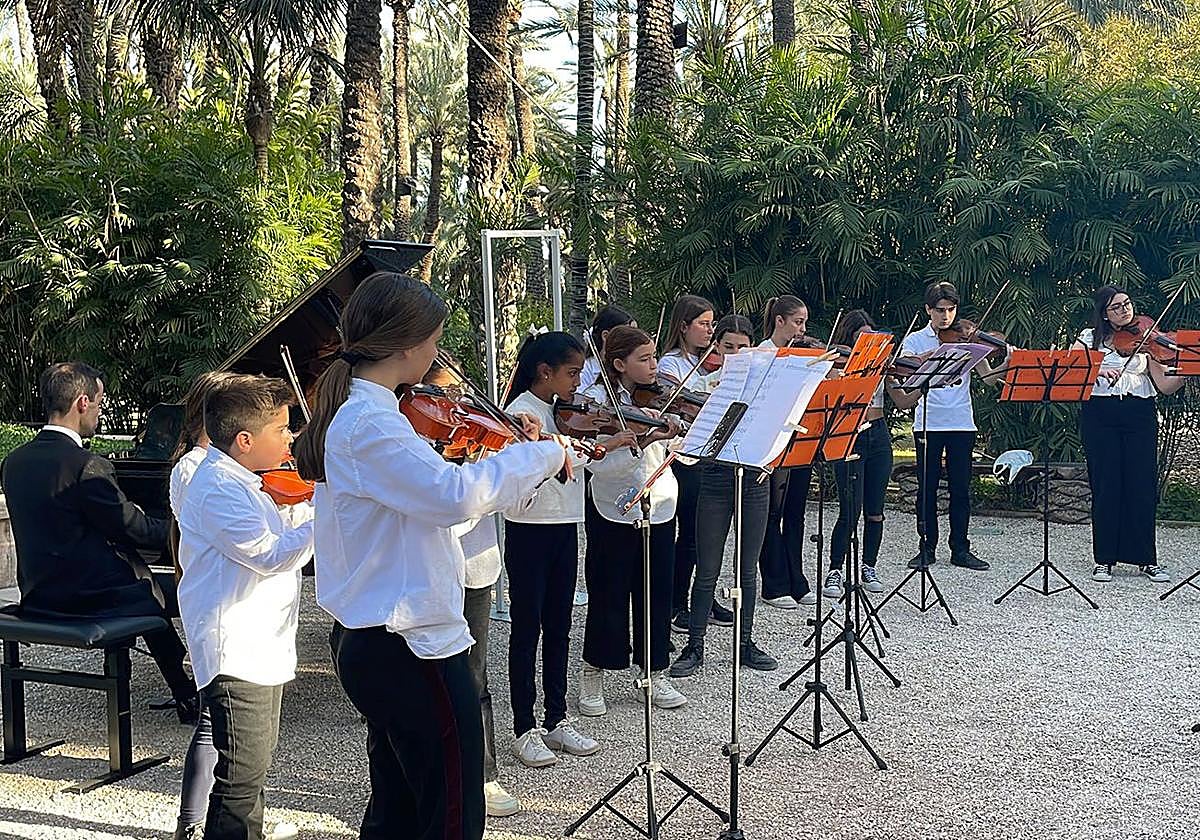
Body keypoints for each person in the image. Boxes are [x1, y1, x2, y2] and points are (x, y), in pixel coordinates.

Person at [294, 272, 572, 840]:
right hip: (408, 645)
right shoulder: (371, 425)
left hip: (389, 640)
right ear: (406, 345)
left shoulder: (377, 417)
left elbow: (443, 510)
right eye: (436, 339)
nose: (438, 352)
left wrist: (509, 454)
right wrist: (540, 456)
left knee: (399, 808)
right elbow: (454, 495)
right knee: (451, 813)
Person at [0, 362, 198, 721]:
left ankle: (185, 687)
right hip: (90, 599)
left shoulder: (15, 461)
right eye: (99, 403)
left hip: (39, 594)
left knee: (145, 581)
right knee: (183, 589)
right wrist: (185, 530)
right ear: (81, 403)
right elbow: (134, 529)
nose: (99, 412)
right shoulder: (86, 465)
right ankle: (190, 692)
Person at [176, 373, 314, 840]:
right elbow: (271, 554)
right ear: (244, 440)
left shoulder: (242, 478)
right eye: (282, 429)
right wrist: (328, 510)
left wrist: (303, 507)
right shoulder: (218, 486)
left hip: (261, 645)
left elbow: (279, 534)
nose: (291, 437)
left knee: (251, 773)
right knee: (239, 781)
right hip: (237, 647)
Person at [502, 332, 635, 768]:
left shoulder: (563, 412)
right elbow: (543, 462)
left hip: (563, 525)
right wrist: (603, 445)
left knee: (559, 626)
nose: (579, 382)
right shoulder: (520, 412)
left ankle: (556, 718)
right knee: (527, 630)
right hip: (529, 529)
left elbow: (577, 453)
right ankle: (525, 727)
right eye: (572, 373)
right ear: (546, 372)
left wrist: (610, 442)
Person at [423, 360, 520, 819]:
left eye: (460, 399)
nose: (455, 411)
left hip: (474, 569)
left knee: (474, 675)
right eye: (443, 401)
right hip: (423, 577)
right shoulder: (411, 449)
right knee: (421, 685)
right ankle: (417, 782)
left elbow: (518, 501)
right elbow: (444, 512)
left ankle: (483, 774)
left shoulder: (481, 442)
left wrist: (511, 464)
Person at [578, 325, 687, 717]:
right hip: (613, 504)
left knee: (656, 590)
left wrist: (675, 433)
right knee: (608, 590)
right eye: (644, 359)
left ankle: (654, 671)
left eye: (655, 357)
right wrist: (634, 436)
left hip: (659, 503)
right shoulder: (594, 402)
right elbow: (593, 463)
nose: (655, 366)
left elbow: (685, 456)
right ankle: (594, 670)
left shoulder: (665, 400)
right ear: (619, 364)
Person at [671, 314, 778, 677]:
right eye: (727, 347)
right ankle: (695, 644)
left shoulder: (768, 387)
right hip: (715, 477)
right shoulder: (705, 384)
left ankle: (744, 643)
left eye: (742, 347)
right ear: (716, 347)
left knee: (748, 569)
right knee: (708, 567)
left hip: (753, 479)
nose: (735, 354)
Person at [888, 281, 1004, 571]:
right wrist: (927, 359)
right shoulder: (916, 340)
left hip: (962, 422)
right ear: (928, 310)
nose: (946, 317)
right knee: (926, 487)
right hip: (928, 421)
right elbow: (903, 373)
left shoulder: (966, 340)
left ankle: (960, 549)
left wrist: (1010, 361)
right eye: (940, 311)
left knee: (961, 488)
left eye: (951, 310)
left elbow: (988, 378)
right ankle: (926, 547)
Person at [1073, 286, 1184, 583]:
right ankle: (1104, 560)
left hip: (1140, 413)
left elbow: (1164, 385)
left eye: (1127, 304)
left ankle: (1146, 560)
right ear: (1105, 316)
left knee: (1142, 485)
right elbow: (1072, 371)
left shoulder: (1147, 339)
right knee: (1107, 484)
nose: (1125, 310)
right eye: (1117, 307)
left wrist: (1187, 370)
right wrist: (1097, 372)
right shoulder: (1087, 338)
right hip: (1101, 413)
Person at [655, 295, 734, 635]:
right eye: (703, 323)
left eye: (711, 323)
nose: (709, 329)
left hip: (708, 453)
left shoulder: (708, 362)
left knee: (706, 535)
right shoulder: (669, 364)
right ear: (683, 326)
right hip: (682, 455)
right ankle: (677, 604)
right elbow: (678, 401)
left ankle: (702, 596)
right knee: (687, 535)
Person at [822, 311, 892, 599]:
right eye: (859, 337)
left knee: (875, 510)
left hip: (879, 431)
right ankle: (835, 569)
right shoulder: (838, 366)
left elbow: (900, 399)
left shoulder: (881, 367)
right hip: (850, 433)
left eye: (870, 336)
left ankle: (869, 566)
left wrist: (922, 383)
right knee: (849, 508)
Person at [755, 296, 817, 608]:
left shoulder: (802, 355)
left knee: (795, 513)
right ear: (779, 321)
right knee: (771, 513)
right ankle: (773, 583)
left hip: (801, 439)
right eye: (797, 322)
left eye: (804, 322)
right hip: (772, 440)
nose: (803, 329)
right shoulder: (763, 354)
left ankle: (798, 580)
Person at [580, 304, 635, 391]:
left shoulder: (631, 366)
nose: (634, 341)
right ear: (606, 336)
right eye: (627, 336)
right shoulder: (584, 370)